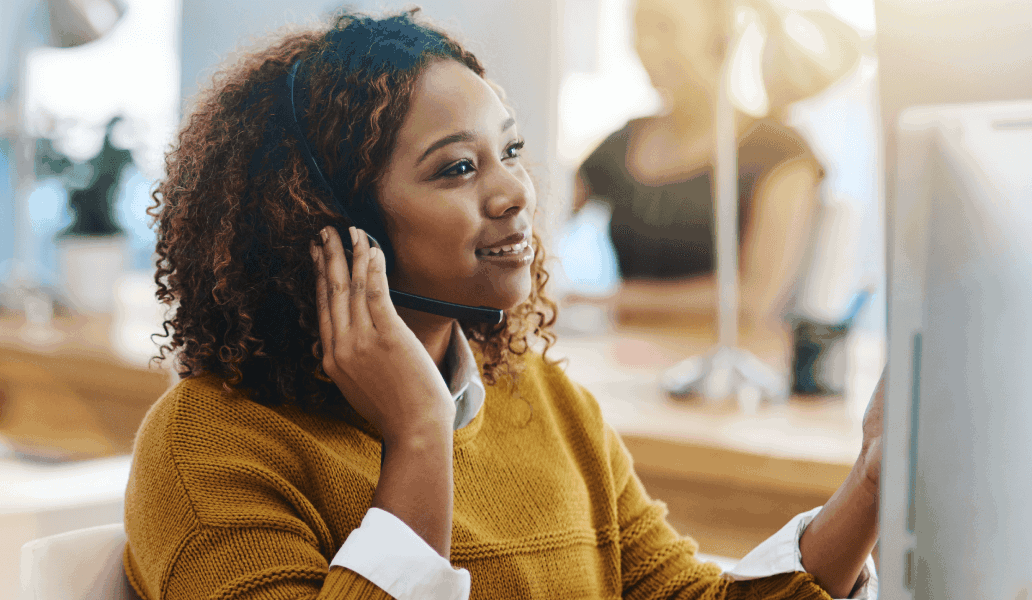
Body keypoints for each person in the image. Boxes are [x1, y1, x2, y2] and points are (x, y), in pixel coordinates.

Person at [122, 10, 881, 600]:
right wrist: (419, 438)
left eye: (510, 151)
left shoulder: (543, 400)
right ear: (331, 219)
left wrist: (873, 482)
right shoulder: (210, 445)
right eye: (457, 167)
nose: (516, 191)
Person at [572, 0, 863, 367]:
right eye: (638, 29)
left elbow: (755, 300)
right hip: (628, 361)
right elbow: (535, 215)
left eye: (664, 27)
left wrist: (605, 302)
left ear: (721, 35)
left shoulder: (780, 153)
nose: (645, 46)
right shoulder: (623, 143)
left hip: (732, 371)